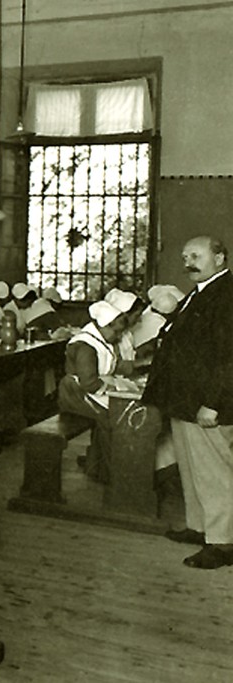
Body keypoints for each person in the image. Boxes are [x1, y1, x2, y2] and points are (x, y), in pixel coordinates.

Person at [142, 236, 233, 569]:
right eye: (184, 256)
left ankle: (223, 543)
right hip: (184, 402)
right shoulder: (200, 293)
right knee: (193, 469)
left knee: (215, 473)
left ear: (220, 258)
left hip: (207, 406)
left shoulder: (226, 294)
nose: (188, 262)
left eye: (196, 255)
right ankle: (200, 527)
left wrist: (213, 403)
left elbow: (228, 358)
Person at [58, 301, 126, 484]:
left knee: (111, 416)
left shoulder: (101, 340)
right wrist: (113, 389)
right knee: (110, 417)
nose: (119, 336)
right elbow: (88, 382)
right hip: (75, 394)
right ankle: (109, 473)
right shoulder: (85, 345)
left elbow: (107, 369)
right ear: (104, 326)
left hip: (89, 391)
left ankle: (96, 466)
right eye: (117, 331)